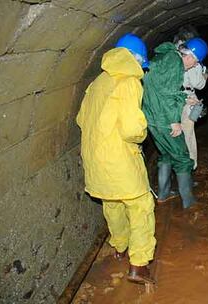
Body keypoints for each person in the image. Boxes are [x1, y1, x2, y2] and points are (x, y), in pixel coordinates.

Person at [76, 33, 155, 284]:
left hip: (95, 161)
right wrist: (143, 132)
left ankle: (119, 246)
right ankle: (139, 265)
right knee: (141, 206)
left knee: (112, 204)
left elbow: (80, 120)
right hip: (119, 159)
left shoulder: (97, 82)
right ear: (135, 58)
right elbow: (132, 128)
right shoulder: (129, 81)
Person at [142, 38, 208, 209]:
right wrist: (174, 122)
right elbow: (167, 94)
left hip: (153, 116)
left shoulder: (166, 57)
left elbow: (159, 89)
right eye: (195, 61)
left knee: (165, 154)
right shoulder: (175, 63)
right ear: (190, 56)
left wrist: (186, 98)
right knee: (182, 157)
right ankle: (189, 201)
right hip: (164, 118)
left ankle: (163, 194)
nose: (194, 66)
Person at [179, 38, 208, 170]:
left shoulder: (174, 57)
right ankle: (190, 167)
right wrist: (205, 74)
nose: (196, 63)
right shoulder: (192, 64)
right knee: (188, 135)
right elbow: (199, 84)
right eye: (196, 61)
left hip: (177, 98)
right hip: (185, 98)